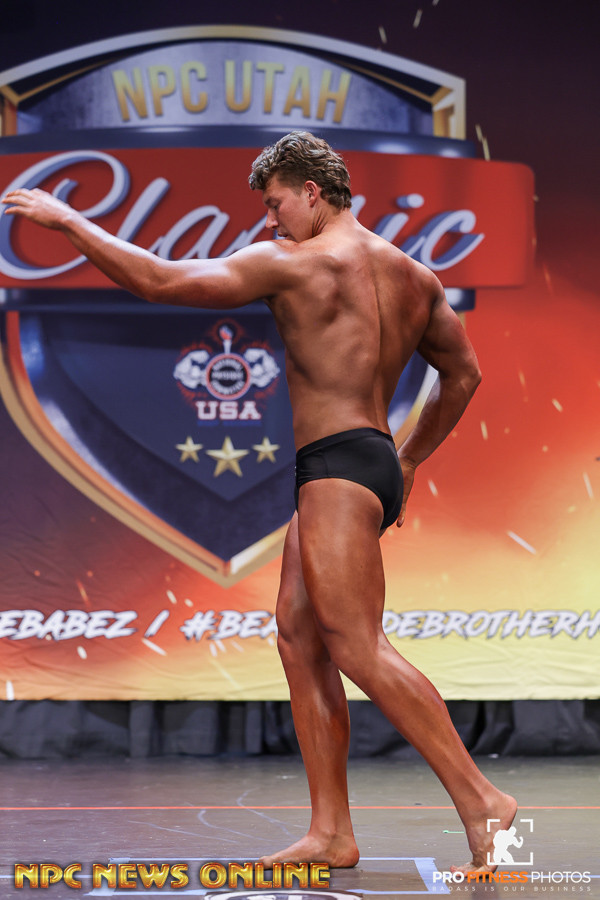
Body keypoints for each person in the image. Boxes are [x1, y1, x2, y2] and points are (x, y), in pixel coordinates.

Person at [3, 131, 516, 873]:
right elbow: (463, 375)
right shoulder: (414, 275)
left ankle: (481, 798)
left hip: (335, 468)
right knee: (298, 636)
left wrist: (71, 222)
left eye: (276, 204)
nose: (270, 221)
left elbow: (160, 282)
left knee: (357, 645)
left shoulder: (296, 262)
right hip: (366, 459)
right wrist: (406, 460)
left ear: (312, 190)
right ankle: (331, 832)